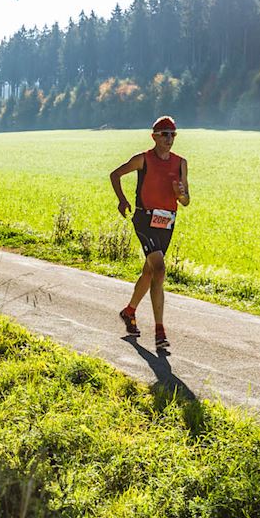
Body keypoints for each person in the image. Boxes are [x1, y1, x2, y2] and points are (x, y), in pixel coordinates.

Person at [108, 115, 190, 351]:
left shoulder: (181, 163)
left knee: (150, 271)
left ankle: (129, 311)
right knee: (160, 269)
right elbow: (115, 175)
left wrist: (180, 193)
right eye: (165, 134)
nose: (169, 138)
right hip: (144, 218)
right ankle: (160, 332)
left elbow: (186, 201)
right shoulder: (143, 159)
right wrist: (122, 200)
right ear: (154, 136)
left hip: (167, 222)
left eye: (173, 134)